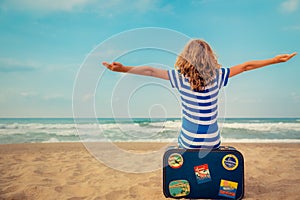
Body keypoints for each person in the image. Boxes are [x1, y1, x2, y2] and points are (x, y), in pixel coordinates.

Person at [102, 39, 296, 149]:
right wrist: (275, 60)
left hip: (188, 142)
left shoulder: (179, 77)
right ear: (209, 56)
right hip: (213, 142)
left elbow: (150, 71)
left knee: (182, 142)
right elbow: (246, 66)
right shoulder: (219, 76)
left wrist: (123, 69)